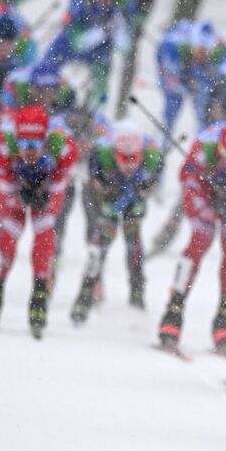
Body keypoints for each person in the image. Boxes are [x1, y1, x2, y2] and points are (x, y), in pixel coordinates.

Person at [157, 119, 226, 352]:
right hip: (206, 196)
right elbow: (187, 183)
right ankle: (173, 310)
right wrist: (208, 209)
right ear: (219, 150)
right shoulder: (202, 150)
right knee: (198, 243)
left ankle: (224, 315)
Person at [0, 105, 79, 338]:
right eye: (24, 144)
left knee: (45, 235)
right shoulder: (3, 143)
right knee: (9, 234)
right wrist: (17, 199)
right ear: (17, 137)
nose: (30, 150)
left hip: (44, 192)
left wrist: (44, 199)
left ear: (46, 138)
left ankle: (39, 296)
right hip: (16, 189)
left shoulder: (63, 146)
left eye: (36, 144)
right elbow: (2, 190)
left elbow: (59, 190)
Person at [72, 121, 163, 322]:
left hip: (134, 198)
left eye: (133, 158)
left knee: (133, 241)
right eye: (124, 158)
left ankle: (137, 293)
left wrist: (145, 188)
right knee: (101, 242)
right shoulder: (101, 153)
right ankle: (86, 293)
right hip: (109, 198)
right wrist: (106, 189)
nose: (129, 164)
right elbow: (94, 181)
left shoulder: (152, 155)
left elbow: (155, 179)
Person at [38, 0, 130, 110]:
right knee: (45, 70)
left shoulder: (124, 4)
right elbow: (77, 42)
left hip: (100, 51)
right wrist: (103, 31)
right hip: (67, 44)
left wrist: (121, 31)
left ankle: (96, 115)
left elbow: (126, 49)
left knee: (102, 83)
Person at [157, 20, 226, 140]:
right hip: (175, 69)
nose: (202, 56)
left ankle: (203, 140)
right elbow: (170, 81)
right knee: (172, 105)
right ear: (192, 45)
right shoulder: (172, 47)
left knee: (203, 106)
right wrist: (186, 88)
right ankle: (164, 142)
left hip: (198, 73)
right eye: (200, 51)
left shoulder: (220, 49)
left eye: (206, 53)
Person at [113, 0, 164, 111]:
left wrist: (137, 23)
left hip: (132, 19)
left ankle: (122, 102)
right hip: (111, 18)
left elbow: (145, 8)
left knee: (130, 57)